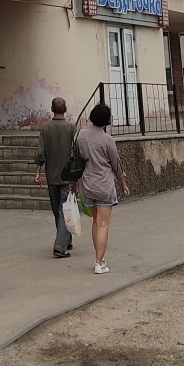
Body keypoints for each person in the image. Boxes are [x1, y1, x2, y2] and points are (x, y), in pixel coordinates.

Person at [75, 102, 129, 275]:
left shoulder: (80, 135)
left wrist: (73, 182)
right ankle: (99, 262)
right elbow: (116, 164)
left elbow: (75, 158)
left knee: (95, 222)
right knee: (103, 224)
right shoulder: (107, 140)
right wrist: (122, 182)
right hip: (104, 185)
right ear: (107, 121)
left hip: (87, 184)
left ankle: (98, 258)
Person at [32, 96, 75, 258]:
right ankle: (60, 245)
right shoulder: (71, 128)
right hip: (67, 176)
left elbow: (41, 152)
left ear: (52, 109)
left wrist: (37, 171)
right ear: (65, 109)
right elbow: (75, 152)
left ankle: (65, 239)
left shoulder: (45, 128)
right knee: (65, 210)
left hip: (51, 175)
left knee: (58, 210)